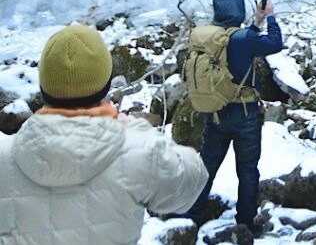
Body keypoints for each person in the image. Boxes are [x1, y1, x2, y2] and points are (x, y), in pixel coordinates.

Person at [0, 24, 208, 244]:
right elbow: (192, 181)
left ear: (44, 87)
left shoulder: (5, 155)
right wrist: (138, 129)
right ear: (105, 83)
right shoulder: (141, 150)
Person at [185, 0, 283, 236]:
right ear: (238, 10)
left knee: (207, 168)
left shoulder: (208, 36)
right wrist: (270, 17)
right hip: (245, 115)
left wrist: (255, 23)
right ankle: (245, 223)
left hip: (216, 111)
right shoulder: (243, 39)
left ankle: (189, 221)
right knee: (248, 171)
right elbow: (274, 43)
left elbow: (235, 46)